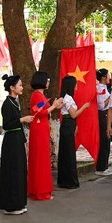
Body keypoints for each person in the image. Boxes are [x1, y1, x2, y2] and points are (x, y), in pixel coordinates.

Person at [0, 74, 34, 215]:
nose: (22, 87)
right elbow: (6, 125)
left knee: (20, 171)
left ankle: (19, 203)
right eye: (19, 85)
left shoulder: (15, 102)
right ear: (12, 88)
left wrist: (24, 141)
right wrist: (22, 119)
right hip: (11, 141)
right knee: (12, 172)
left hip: (17, 139)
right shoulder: (7, 103)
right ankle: (11, 205)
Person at [28, 72, 64, 200]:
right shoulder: (37, 95)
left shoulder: (40, 95)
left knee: (42, 158)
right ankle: (40, 191)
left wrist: (56, 106)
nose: (49, 83)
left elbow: (43, 110)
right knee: (40, 159)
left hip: (42, 127)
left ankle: (38, 190)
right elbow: (39, 112)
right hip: (39, 128)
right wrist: (53, 106)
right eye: (47, 80)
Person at [57, 75, 90, 189]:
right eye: (75, 83)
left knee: (67, 152)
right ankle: (69, 181)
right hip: (67, 124)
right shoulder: (68, 98)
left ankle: (65, 180)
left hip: (69, 124)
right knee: (68, 154)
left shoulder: (67, 97)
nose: (77, 86)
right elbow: (74, 114)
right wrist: (84, 107)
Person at [95, 69, 112, 176]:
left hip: (107, 114)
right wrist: (111, 96)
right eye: (108, 76)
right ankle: (101, 167)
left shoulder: (104, 88)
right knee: (104, 140)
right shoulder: (99, 89)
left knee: (107, 141)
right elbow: (101, 105)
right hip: (102, 115)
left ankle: (105, 166)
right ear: (103, 77)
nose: (110, 78)